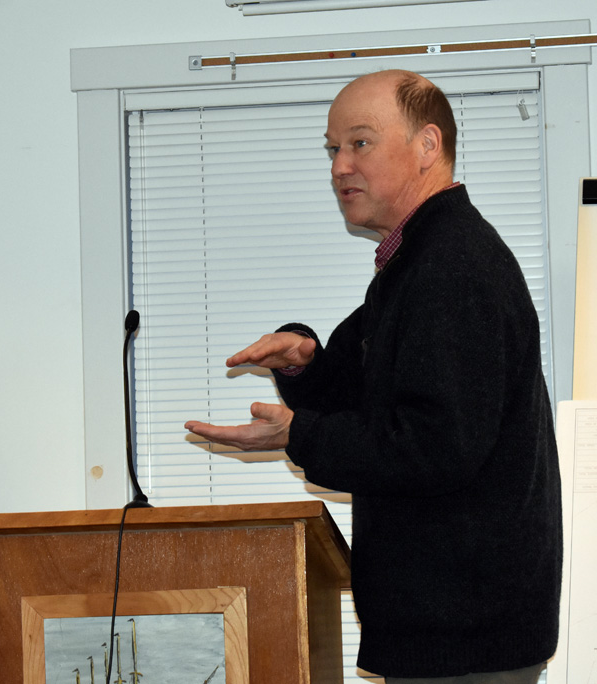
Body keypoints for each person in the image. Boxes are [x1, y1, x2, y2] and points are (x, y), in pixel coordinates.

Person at [185, 69, 562, 684]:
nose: (339, 166)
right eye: (332, 148)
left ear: (428, 147)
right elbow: (375, 400)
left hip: (464, 640)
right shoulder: (417, 259)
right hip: (454, 632)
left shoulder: (452, 265)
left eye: (360, 143)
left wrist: (298, 434)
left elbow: (435, 447)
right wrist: (306, 366)